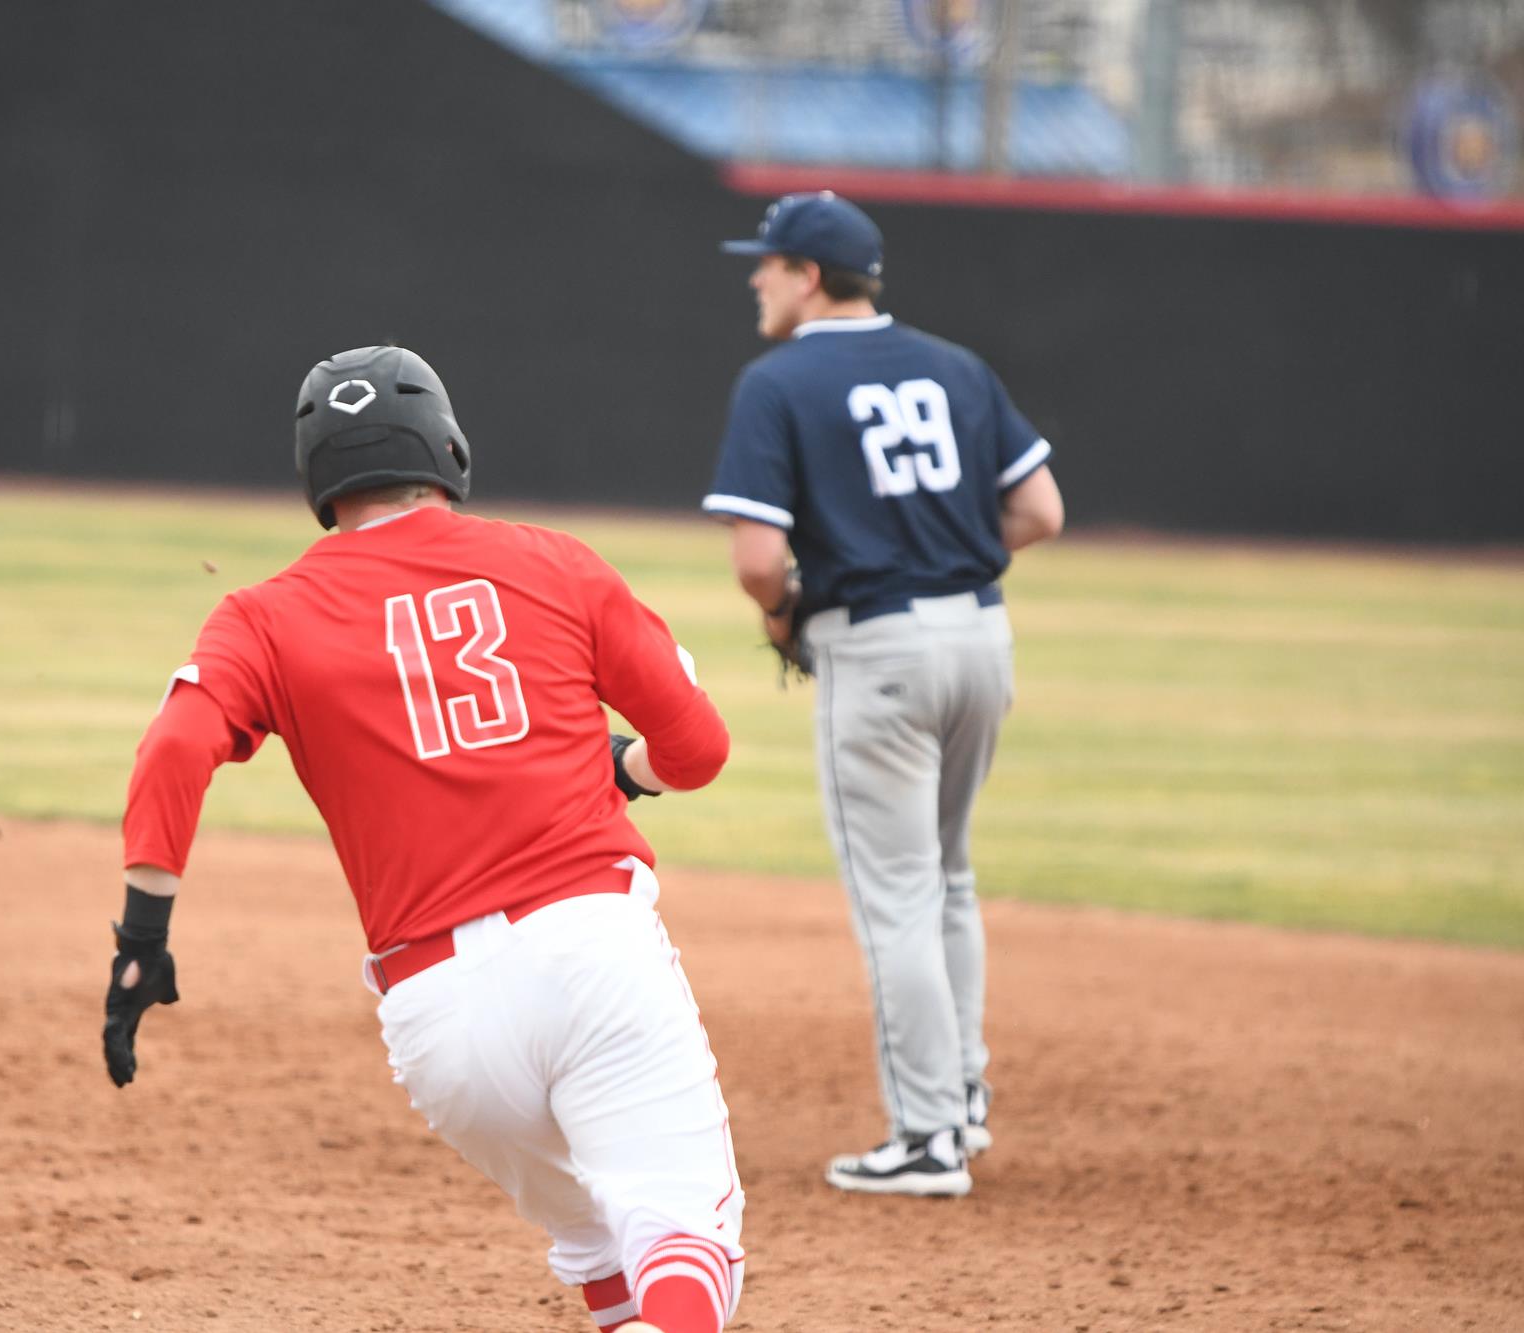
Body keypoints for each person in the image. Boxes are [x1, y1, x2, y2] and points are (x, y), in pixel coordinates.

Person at [102, 345, 745, 1333]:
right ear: (446, 447)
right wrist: (628, 768)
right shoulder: (554, 562)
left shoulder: (260, 616)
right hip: (591, 952)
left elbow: (175, 745)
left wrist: (143, 937)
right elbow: (697, 749)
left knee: (601, 1249)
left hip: (435, 1018)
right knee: (687, 1243)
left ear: (316, 479)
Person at [702, 192, 1065, 1198]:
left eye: (768, 264)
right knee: (945, 878)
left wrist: (783, 614)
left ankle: (925, 1139)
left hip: (878, 648)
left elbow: (754, 558)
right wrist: (942, 563)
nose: (756, 278)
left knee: (897, 896)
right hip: (980, 636)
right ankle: (962, 1098)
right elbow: (1038, 509)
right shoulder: (956, 365)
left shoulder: (776, 381)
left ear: (808, 276)